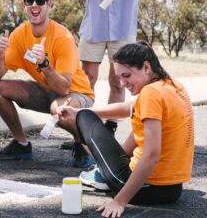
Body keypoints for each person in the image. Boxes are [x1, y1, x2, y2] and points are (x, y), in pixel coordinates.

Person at [57, 42, 194, 217]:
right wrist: (79, 110)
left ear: (146, 67)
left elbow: (152, 156)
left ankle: (104, 174)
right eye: (119, 77)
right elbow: (129, 107)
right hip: (172, 189)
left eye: (127, 75)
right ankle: (107, 169)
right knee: (86, 113)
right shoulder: (172, 85)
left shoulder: (150, 94)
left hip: (144, 189)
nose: (122, 83)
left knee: (84, 118)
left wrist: (120, 201)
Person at [0, 0, 95, 168]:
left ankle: (84, 145)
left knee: (59, 109)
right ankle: (22, 145)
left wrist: (44, 65)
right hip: (45, 90)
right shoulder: (19, 35)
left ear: (49, 4)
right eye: (29, 1)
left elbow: (64, 88)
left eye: (40, 0)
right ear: (23, 5)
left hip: (76, 94)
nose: (34, 5)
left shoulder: (62, 37)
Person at [60, 0, 154, 134]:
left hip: (122, 31)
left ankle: (109, 130)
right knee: (86, 81)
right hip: (93, 29)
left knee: (118, 82)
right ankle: (81, 133)